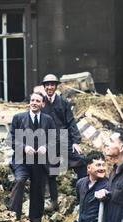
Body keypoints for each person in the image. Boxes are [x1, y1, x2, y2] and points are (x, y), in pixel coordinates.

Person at [9, 92, 56, 222]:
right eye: (32, 100)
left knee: (38, 188)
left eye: (37, 101)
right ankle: (13, 216)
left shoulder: (48, 120)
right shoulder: (18, 118)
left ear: (42, 104)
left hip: (39, 161)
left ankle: (35, 220)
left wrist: (46, 147)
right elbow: (12, 139)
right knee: (20, 180)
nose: (34, 103)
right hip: (22, 159)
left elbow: (54, 139)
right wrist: (23, 147)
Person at [40, 74, 84, 212]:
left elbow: (71, 123)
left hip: (64, 140)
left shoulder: (63, 103)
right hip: (49, 143)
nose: (50, 87)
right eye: (47, 85)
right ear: (44, 87)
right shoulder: (41, 103)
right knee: (49, 171)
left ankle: (83, 198)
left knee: (81, 162)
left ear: (56, 86)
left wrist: (76, 142)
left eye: (52, 85)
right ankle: (53, 202)